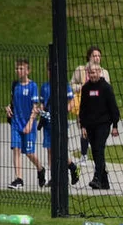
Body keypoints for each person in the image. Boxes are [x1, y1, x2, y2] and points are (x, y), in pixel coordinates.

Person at [77, 62, 120, 190]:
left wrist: (115, 125)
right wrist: (83, 126)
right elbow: (82, 109)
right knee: (95, 152)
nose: (92, 75)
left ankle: (96, 178)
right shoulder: (85, 88)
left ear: (99, 72)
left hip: (103, 124)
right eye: (90, 73)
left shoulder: (106, 88)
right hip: (90, 125)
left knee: (99, 149)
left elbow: (113, 108)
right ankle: (104, 180)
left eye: (94, 72)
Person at [38, 61, 80, 187]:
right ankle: (54, 177)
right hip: (48, 124)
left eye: (53, 69)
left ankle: (72, 167)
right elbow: (42, 103)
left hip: (60, 124)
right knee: (50, 151)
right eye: (49, 69)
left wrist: (64, 111)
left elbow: (72, 101)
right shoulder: (44, 87)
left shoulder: (64, 85)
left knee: (60, 150)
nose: (50, 72)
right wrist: (41, 111)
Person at [6, 58, 44, 190]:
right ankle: (19, 178)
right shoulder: (14, 85)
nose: (18, 71)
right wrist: (9, 108)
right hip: (16, 123)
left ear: (28, 70)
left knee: (29, 153)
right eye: (17, 68)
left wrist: (30, 123)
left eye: (21, 68)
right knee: (16, 149)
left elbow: (35, 107)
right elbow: (13, 103)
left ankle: (40, 168)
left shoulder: (33, 86)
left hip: (29, 124)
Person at [70, 46, 110, 163]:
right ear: (89, 57)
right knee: (85, 129)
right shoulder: (81, 70)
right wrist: (82, 87)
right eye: (94, 56)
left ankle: (98, 154)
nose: (97, 58)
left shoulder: (104, 72)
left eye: (98, 56)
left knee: (98, 132)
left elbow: (108, 89)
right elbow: (71, 84)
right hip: (84, 104)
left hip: (100, 107)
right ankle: (83, 154)